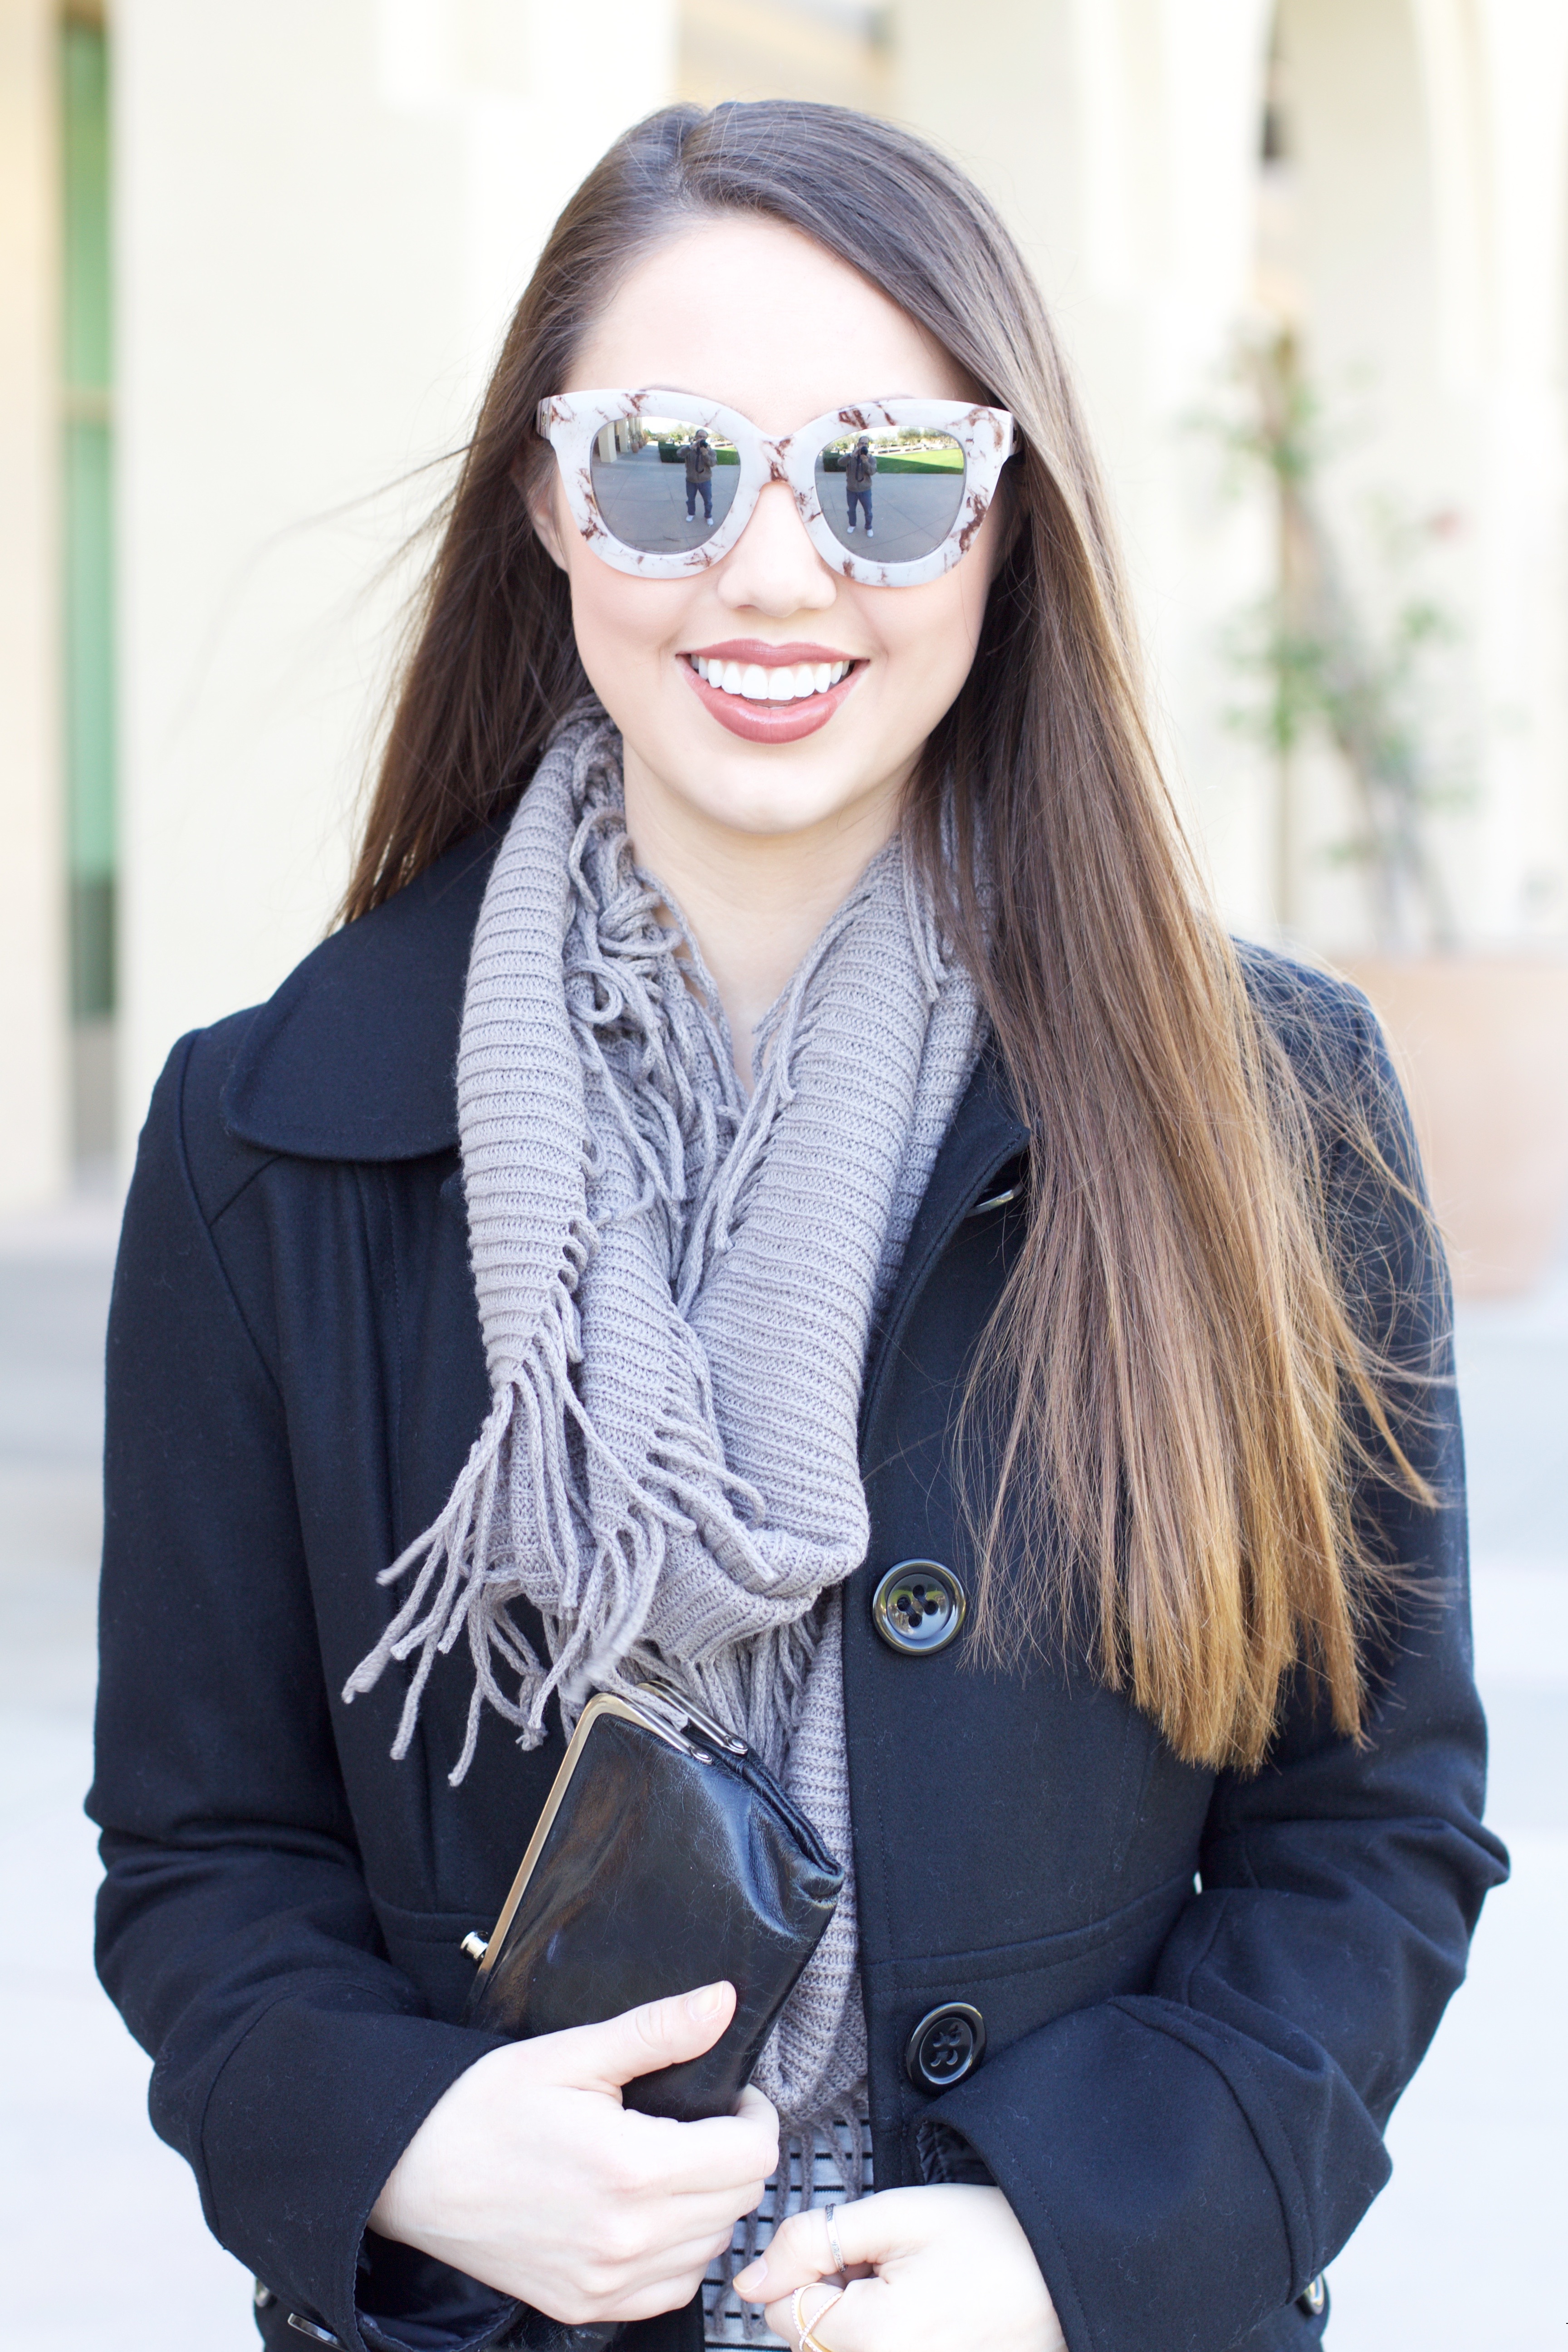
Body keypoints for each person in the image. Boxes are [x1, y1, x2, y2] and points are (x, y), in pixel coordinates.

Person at [90, 98, 1506, 2352]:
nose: (770, 572)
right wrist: (415, 2146)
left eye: (885, 474)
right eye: (669, 463)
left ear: (998, 524)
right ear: (549, 498)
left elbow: (1370, 1814)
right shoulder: (266, 1137)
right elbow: (204, 1852)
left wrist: (1083, 2236)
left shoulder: (1263, 1104)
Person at [845, 433, 875, 535]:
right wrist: (851, 455)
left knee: (868, 511)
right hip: (851, 490)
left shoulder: (871, 458)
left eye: (866, 444)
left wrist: (865, 462)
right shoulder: (851, 457)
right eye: (862, 443)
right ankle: (852, 525)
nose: (864, 446)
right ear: (858, 444)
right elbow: (840, 463)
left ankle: (869, 527)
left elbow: (872, 472)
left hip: (865, 490)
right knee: (851, 510)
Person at [686, 426, 714, 523]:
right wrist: (691, 447)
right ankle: (691, 514)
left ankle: (708, 516)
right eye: (700, 437)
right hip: (691, 480)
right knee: (690, 500)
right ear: (695, 437)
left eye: (704, 438)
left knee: (708, 501)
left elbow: (713, 463)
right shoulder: (690, 450)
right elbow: (679, 454)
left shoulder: (710, 451)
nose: (702, 439)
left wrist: (705, 454)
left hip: (705, 480)